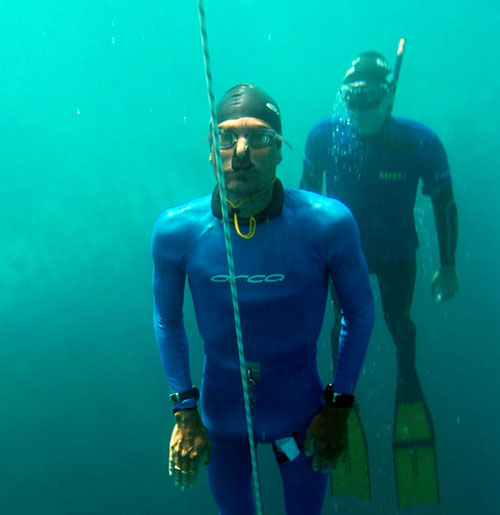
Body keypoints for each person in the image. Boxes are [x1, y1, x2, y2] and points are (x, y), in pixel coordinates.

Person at [152, 83, 375, 514]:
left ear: (279, 150)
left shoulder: (326, 225)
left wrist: (340, 408)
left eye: (258, 137)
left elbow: (360, 312)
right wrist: (184, 412)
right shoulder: (176, 232)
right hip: (223, 421)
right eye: (225, 136)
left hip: (302, 417)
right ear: (211, 150)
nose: (240, 152)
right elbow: (167, 320)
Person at [300, 51, 459, 507]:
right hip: (344, 255)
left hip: (396, 255)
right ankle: (341, 401)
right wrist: (304, 264)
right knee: (342, 327)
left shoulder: (419, 142)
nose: (359, 107)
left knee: (398, 323)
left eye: (369, 96)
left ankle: (408, 383)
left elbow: (444, 202)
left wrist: (448, 265)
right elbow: (306, 203)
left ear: (388, 98)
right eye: (351, 97)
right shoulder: (325, 137)